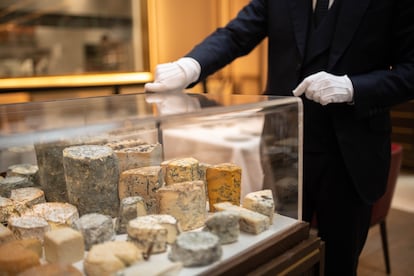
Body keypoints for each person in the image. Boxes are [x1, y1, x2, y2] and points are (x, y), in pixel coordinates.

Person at [145, 0, 414, 275]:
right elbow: (236, 34)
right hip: (283, 151)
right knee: (280, 257)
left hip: (352, 157)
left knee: (340, 264)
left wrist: (353, 87)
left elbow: (411, 71)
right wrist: (190, 65)